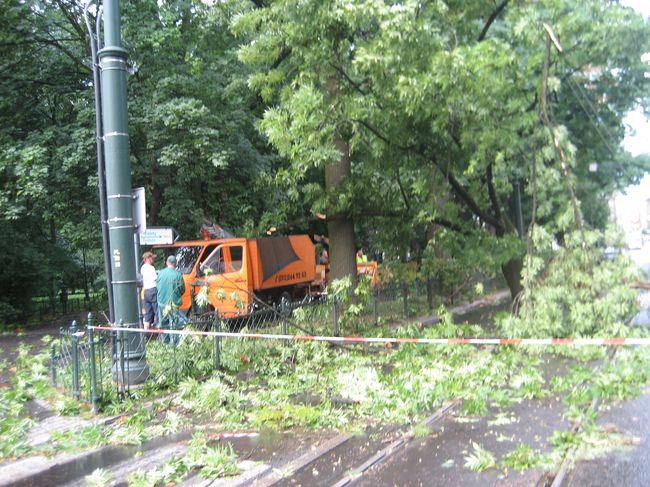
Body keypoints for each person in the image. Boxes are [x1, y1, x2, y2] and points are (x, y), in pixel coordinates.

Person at [157, 255, 186, 341]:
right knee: (174, 324)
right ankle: (174, 344)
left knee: (164, 323)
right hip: (174, 303)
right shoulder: (178, 275)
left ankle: (165, 342)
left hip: (162, 302)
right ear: (175, 264)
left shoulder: (160, 273)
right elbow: (182, 289)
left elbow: (157, 287)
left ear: (166, 263)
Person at [140, 251, 158, 329]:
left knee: (148, 311)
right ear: (147, 258)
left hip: (145, 291)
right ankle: (158, 326)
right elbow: (155, 279)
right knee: (156, 309)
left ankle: (146, 329)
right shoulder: (151, 268)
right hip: (153, 290)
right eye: (151, 258)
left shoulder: (142, 268)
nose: (153, 259)